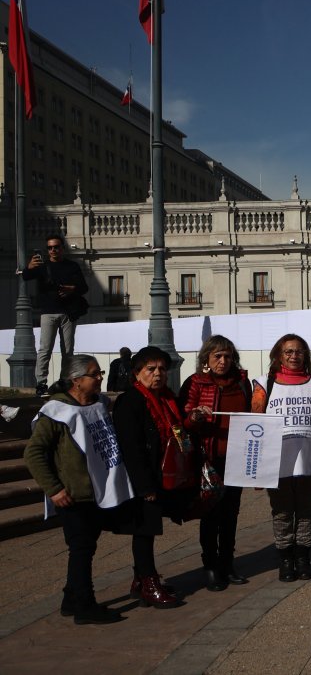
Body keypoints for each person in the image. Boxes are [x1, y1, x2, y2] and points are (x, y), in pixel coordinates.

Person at [25, 355, 127, 624]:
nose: (100, 378)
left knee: (85, 547)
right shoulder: (56, 412)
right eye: (94, 374)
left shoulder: (98, 404)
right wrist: (54, 489)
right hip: (73, 494)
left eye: (100, 372)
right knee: (81, 549)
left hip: (97, 490)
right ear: (76, 380)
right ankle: (85, 606)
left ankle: (71, 599)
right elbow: (33, 453)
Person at [112, 346, 192, 608]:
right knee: (144, 531)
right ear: (137, 373)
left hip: (164, 472)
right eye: (151, 369)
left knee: (149, 529)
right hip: (144, 477)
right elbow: (131, 447)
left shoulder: (168, 398)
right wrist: (144, 484)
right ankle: (149, 583)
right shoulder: (131, 401)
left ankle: (140, 580)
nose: (158, 374)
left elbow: (177, 430)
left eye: (161, 369)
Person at [252, 334, 311, 582]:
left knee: (307, 511)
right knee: (281, 512)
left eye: (299, 351)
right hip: (276, 463)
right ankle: (285, 559)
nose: (294, 356)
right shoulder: (263, 385)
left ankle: (303, 557)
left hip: (310, 460)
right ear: (279, 355)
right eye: (288, 351)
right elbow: (253, 424)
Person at [179, 335, 252, 591]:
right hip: (208, 461)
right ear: (206, 359)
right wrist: (196, 416)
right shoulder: (196, 382)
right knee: (210, 515)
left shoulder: (242, 382)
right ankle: (210, 566)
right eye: (217, 356)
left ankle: (227, 564)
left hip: (237, 459)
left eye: (227, 356)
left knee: (231, 515)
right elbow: (184, 422)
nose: (223, 361)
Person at [22, 235, 89, 396]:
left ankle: (64, 382)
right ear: (47, 250)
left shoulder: (72, 266)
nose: (53, 250)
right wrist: (29, 267)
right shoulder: (42, 266)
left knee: (68, 350)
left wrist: (71, 289)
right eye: (50, 248)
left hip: (68, 313)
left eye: (56, 247)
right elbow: (25, 276)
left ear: (62, 248)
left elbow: (84, 287)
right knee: (45, 349)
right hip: (48, 312)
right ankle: (41, 384)